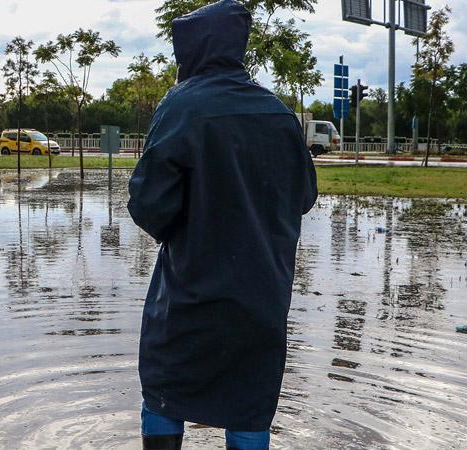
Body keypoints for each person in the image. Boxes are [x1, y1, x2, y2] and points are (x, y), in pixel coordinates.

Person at [126, 1, 318, 449]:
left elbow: (148, 204)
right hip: (262, 298)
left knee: (163, 392)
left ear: (193, 51)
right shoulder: (278, 112)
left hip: (190, 293)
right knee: (249, 401)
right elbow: (304, 198)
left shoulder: (181, 106)